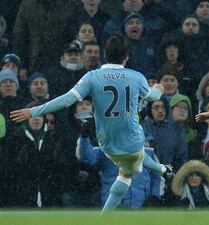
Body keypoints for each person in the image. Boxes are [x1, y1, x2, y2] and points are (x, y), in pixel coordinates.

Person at [10, 35, 172, 214]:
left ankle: (105, 215)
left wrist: (34, 110)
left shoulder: (93, 77)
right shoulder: (136, 76)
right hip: (131, 137)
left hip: (106, 141)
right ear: (126, 57)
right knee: (130, 166)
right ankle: (162, 169)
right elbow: (153, 97)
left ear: (105, 54)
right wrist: (158, 89)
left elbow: (67, 100)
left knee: (127, 172)